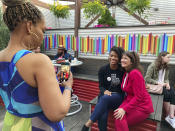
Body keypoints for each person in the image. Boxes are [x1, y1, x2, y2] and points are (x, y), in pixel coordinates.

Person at [0, 0, 73, 131]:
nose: (42, 36)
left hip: (11, 125)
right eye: (43, 30)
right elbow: (57, 113)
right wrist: (68, 87)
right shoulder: (38, 61)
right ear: (29, 26)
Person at [81, 46, 125, 131]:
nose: (113, 58)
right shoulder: (103, 69)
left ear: (119, 58)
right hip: (105, 95)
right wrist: (104, 91)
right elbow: (101, 86)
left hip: (117, 97)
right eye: (111, 55)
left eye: (115, 56)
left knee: (104, 99)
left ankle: (87, 124)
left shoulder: (122, 70)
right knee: (103, 114)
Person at [114, 51, 154, 131]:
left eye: (125, 58)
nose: (122, 60)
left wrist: (124, 109)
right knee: (118, 116)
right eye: (122, 58)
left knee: (119, 119)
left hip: (142, 106)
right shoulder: (126, 72)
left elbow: (139, 96)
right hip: (130, 101)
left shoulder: (134, 73)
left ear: (132, 61)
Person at [145, 51, 175, 128]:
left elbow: (166, 79)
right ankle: (169, 117)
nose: (169, 59)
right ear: (162, 57)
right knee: (167, 93)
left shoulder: (166, 67)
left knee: (172, 91)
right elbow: (147, 78)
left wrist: (167, 83)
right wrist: (158, 83)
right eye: (168, 57)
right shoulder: (153, 65)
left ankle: (171, 116)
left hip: (162, 86)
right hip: (155, 87)